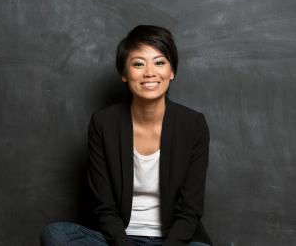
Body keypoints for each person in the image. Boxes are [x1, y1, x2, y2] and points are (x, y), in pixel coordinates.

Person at [40, 25, 212, 246]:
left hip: (175, 242)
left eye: (159, 62)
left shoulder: (193, 125)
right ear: (124, 73)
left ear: (172, 71)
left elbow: (190, 210)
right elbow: (104, 207)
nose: (149, 72)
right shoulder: (104, 123)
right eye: (138, 63)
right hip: (118, 240)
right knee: (56, 235)